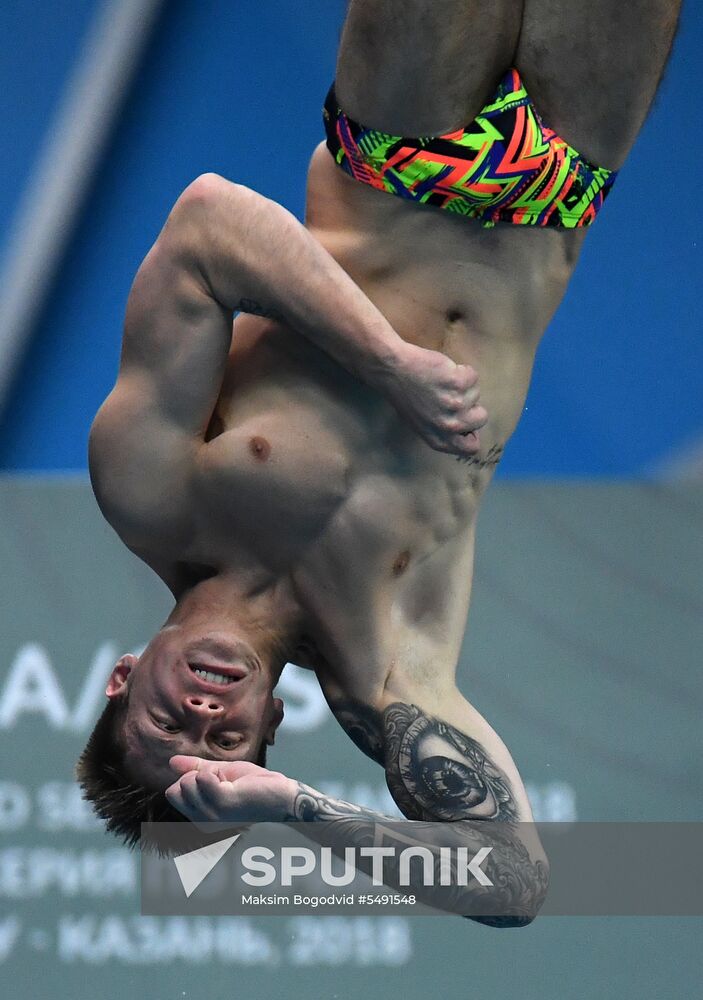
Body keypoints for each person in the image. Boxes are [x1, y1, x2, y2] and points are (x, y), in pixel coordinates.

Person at [78, 0, 680, 916]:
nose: (206, 714)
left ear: (123, 677)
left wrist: (385, 362)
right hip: (563, 180)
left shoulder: (150, 495)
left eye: (168, 724)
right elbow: (514, 888)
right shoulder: (390, 667)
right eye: (228, 745)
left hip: (401, 147)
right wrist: (294, 809)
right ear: (271, 727)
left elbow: (206, 226)